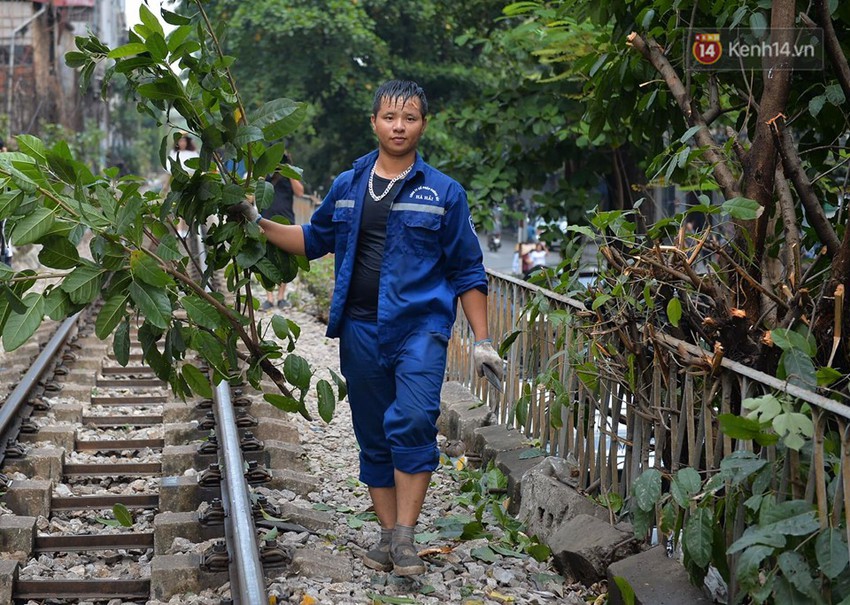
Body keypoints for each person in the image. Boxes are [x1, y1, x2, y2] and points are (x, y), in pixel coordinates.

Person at [231, 80, 504, 576]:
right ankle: (385, 536)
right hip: (359, 328)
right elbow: (314, 239)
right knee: (374, 433)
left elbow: (467, 269)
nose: (399, 126)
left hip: (419, 329)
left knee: (415, 420)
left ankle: (406, 537)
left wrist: (483, 342)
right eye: (390, 117)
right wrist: (257, 222)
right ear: (374, 121)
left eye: (411, 118)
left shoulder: (444, 192)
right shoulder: (350, 183)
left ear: (424, 124)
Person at [261, 154, 305, 310]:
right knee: (266, 257)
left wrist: (289, 171)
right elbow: (253, 196)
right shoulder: (265, 175)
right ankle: (269, 297)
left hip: (286, 221)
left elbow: (300, 192)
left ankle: (281, 296)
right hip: (266, 220)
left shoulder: (289, 176)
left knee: (286, 258)